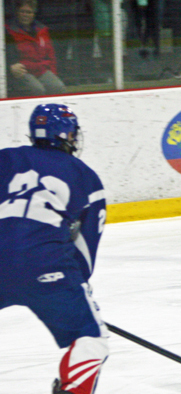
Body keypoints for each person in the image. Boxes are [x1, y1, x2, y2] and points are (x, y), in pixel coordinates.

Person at [0, 104, 109, 393]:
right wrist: (73, 292)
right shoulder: (85, 175)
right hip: (48, 269)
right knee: (91, 340)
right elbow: (84, 254)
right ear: (67, 134)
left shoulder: (4, 158)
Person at [5, 0, 66, 97]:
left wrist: (52, 72)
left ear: (34, 14)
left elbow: (51, 54)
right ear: (17, 12)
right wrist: (10, 67)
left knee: (58, 87)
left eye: (29, 12)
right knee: (38, 90)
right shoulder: (8, 31)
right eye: (22, 11)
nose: (25, 15)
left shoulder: (42, 30)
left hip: (42, 70)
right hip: (23, 72)